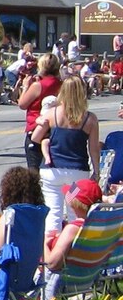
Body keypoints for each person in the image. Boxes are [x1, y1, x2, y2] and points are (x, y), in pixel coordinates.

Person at [32, 75, 100, 238]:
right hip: (77, 173)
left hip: (52, 171)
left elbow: (35, 138)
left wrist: (41, 123)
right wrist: (96, 171)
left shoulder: (52, 113)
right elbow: (93, 149)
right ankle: (72, 251)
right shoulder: (89, 118)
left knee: (53, 212)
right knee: (74, 214)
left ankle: (50, 254)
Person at [43, 178, 103, 299]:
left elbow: (52, 263)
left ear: (76, 202)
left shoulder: (73, 229)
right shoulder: (98, 227)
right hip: (87, 280)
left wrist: (43, 243)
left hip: (61, 283)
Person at [16, 53, 62, 169]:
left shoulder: (38, 85)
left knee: (34, 168)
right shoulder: (61, 84)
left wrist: (26, 86)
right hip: (55, 127)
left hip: (36, 127)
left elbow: (22, 104)